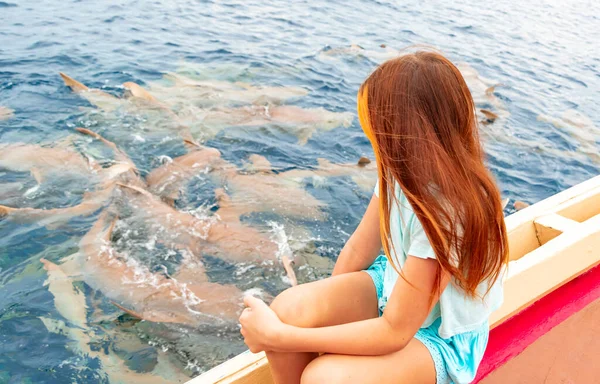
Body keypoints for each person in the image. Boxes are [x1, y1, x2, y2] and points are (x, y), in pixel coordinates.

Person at [239, 50, 509, 384]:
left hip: (440, 336)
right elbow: (357, 250)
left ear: (407, 135)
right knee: (287, 311)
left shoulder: (448, 213)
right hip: (395, 286)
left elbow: (395, 330)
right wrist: (317, 327)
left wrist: (279, 338)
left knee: (325, 377)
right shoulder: (401, 172)